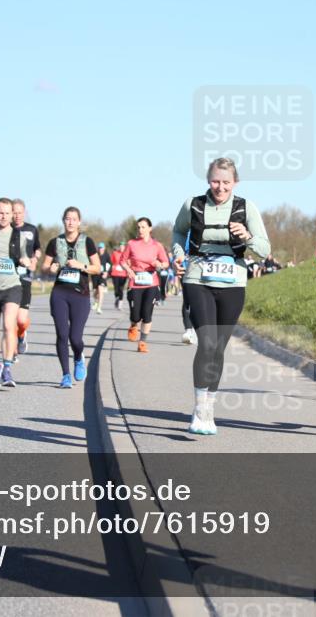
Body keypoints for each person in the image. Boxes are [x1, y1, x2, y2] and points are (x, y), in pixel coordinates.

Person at [172, 157, 270, 435]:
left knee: (218, 348)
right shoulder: (192, 205)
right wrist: (179, 254)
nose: (220, 187)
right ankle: (200, 407)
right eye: (216, 181)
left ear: (235, 182)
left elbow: (264, 249)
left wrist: (248, 236)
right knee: (207, 342)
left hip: (233, 282)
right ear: (208, 180)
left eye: (226, 182)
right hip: (197, 277)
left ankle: (209, 407)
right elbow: (179, 232)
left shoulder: (246, 207)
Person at [42, 206, 101, 388]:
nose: (70, 222)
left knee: (75, 338)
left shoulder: (87, 242)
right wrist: (49, 268)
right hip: (60, 292)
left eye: (74, 219)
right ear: (63, 221)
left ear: (79, 222)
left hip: (80, 294)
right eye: (67, 218)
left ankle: (78, 357)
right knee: (62, 334)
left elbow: (97, 268)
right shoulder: (55, 242)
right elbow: (44, 266)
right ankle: (65, 375)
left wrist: (81, 265)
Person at [0, 197, 33, 389]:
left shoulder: (18, 236)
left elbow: (25, 256)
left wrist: (26, 261)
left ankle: (7, 368)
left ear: (12, 215)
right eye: (0, 212)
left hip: (12, 287)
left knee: (10, 326)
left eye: (7, 213)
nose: (3, 216)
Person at [121, 217, 169, 353]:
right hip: (135, 283)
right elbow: (122, 261)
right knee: (136, 315)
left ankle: (142, 342)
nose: (140, 230)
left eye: (143, 227)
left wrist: (159, 265)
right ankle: (133, 325)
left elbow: (165, 263)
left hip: (151, 283)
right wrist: (129, 270)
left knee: (147, 314)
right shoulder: (131, 244)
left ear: (150, 229)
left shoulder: (157, 246)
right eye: (138, 227)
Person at [11, 199, 42, 357]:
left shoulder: (32, 229)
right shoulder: (6, 230)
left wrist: (35, 259)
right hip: (8, 279)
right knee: (10, 318)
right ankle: (12, 352)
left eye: (20, 212)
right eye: (14, 212)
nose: (17, 215)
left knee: (22, 320)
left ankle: (21, 336)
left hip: (26, 278)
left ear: (24, 212)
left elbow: (38, 249)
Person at [92, 241, 109, 314]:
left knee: (101, 290)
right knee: (96, 292)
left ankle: (99, 307)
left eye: (102, 248)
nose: (100, 249)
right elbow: (91, 263)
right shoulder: (95, 255)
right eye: (99, 248)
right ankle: (96, 301)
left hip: (102, 276)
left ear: (104, 248)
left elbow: (110, 264)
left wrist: (106, 272)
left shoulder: (107, 255)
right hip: (95, 275)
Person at [110, 241, 127, 309]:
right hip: (115, 273)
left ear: (125, 247)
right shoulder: (115, 253)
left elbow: (129, 262)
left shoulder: (127, 254)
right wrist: (113, 266)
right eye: (120, 246)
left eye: (123, 246)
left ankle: (120, 303)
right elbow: (111, 261)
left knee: (121, 288)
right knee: (116, 289)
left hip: (123, 274)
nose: (121, 247)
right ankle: (117, 297)